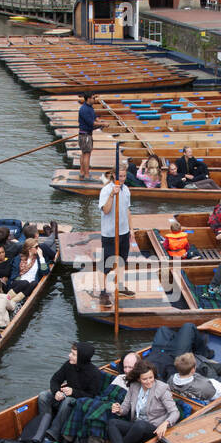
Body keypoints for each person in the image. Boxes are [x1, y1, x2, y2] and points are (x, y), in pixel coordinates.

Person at [33, 342, 103, 442]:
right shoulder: (69, 365)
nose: (69, 355)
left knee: (68, 401)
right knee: (43, 396)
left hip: (79, 405)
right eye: (71, 353)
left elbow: (92, 396)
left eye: (73, 354)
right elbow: (55, 380)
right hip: (65, 397)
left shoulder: (95, 373)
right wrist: (56, 392)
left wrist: (73, 392)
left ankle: (52, 434)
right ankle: (43, 426)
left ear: (82, 358)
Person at [106, 362, 179, 443]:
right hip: (135, 426)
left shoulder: (162, 389)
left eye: (151, 377)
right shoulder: (134, 386)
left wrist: (166, 423)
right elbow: (125, 408)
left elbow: (175, 412)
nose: (149, 381)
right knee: (112, 423)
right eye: (145, 379)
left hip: (153, 428)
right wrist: (119, 409)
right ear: (138, 379)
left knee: (140, 425)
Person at [98, 168, 133, 306]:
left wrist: (131, 229)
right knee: (106, 264)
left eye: (125, 176)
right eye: (121, 176)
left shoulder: (126, 190)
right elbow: (106, 211)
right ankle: (103, 292)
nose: (123, 179)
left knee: (122, 260)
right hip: (110, 234)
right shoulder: (106, 190)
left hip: (123, 232)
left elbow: (127, 209)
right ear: (114, 175)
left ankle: (120, 286)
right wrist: (112, 195)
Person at [77, 92, 98, 180]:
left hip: (86, 134)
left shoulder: (90, 108)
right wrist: (103, 124)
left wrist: (100, 121)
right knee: (87, 154)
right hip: (85, 135)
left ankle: (82, 172)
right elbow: (91, 123)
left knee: (84, 153)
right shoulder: (84, 109)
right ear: (88, 98)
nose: (94, 100)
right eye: (93, 98)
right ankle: (86, 175)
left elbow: (95, 118)